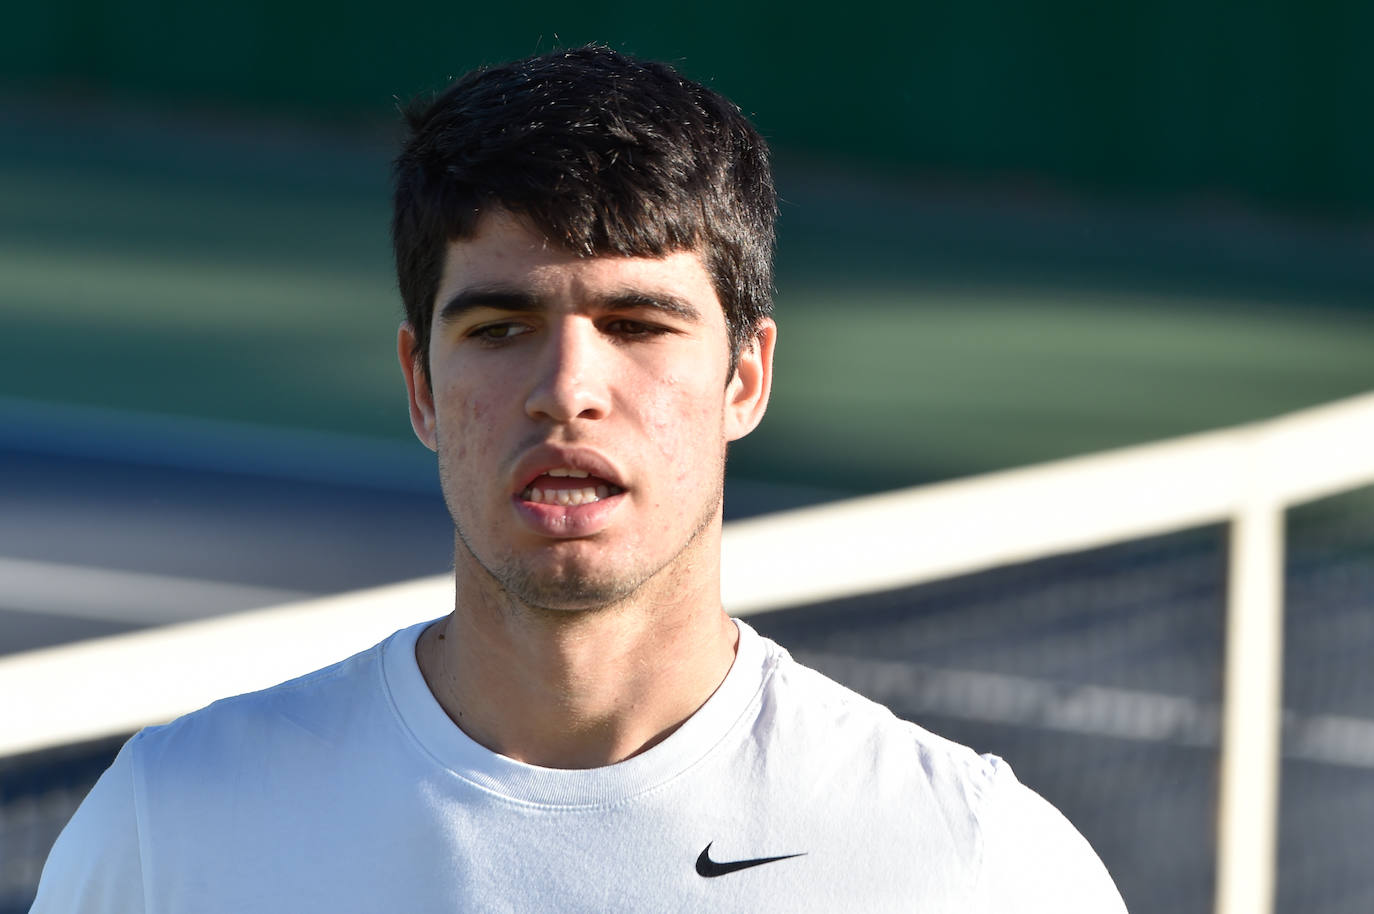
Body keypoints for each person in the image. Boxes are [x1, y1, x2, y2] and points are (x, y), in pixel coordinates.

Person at [32, 46, 1127, 912]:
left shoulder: (972, 861)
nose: (567, 388)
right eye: (501, 327)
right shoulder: (172, 826)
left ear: (746, 375)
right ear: (420, 383)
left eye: (638, 323)